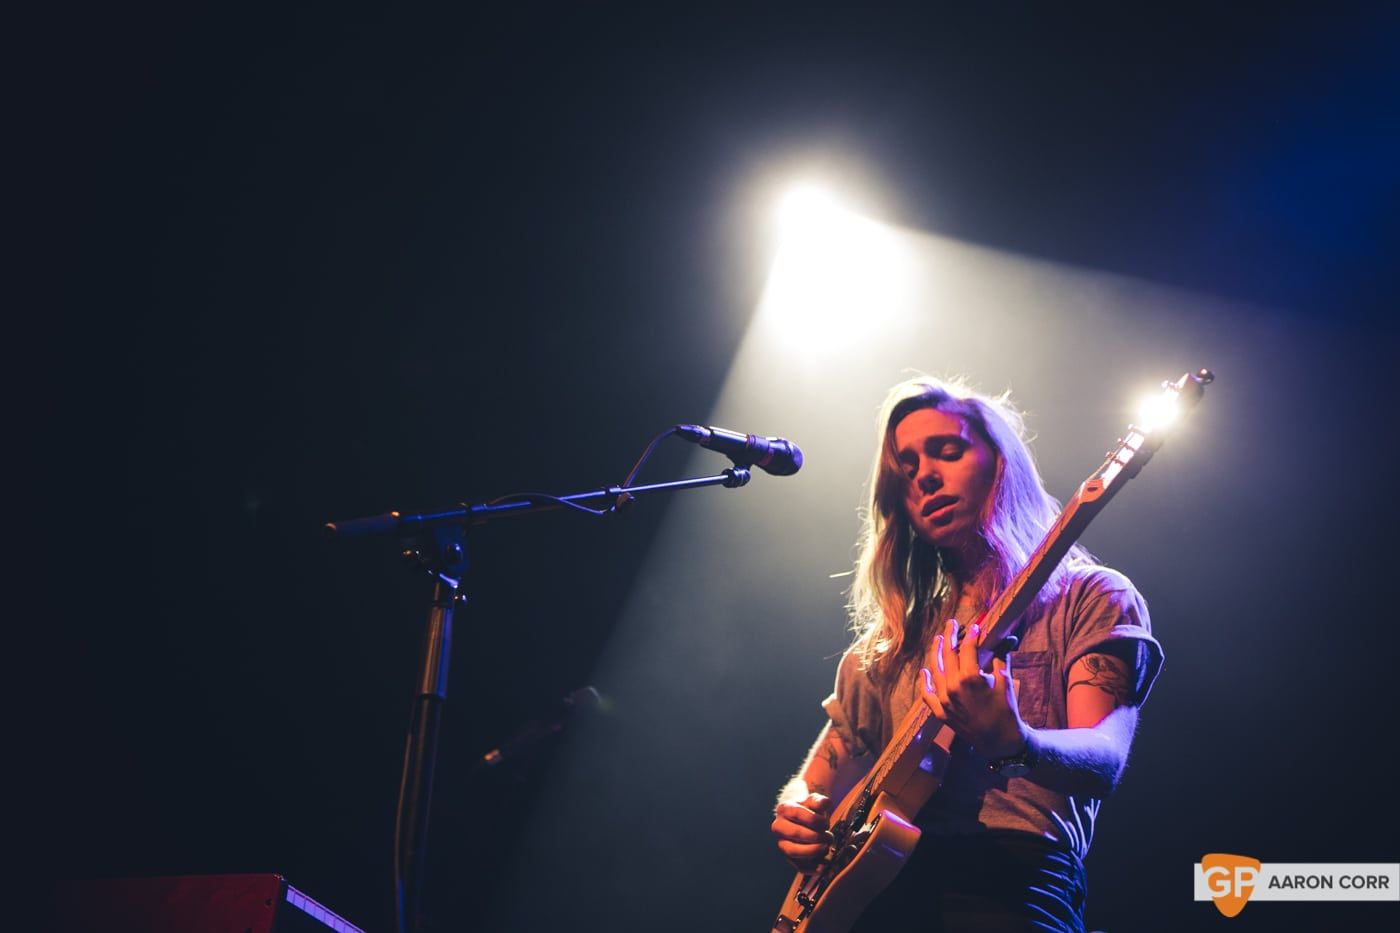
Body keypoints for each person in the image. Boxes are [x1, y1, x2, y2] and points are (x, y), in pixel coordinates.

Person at [771, 376, 1163, 932]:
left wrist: (1018, 743)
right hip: (877, 900)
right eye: (906, 469)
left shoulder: (1091, 596)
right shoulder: (886, 646)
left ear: (1001, 465)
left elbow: (1105, 756)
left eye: (947, 451)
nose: (925, 475)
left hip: (1012, 884)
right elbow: (814, 779)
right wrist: (799, 809)